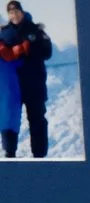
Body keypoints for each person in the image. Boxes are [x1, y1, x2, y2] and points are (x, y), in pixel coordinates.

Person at [0, 1, 48, 160]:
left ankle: (39, 156)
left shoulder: (36, 29)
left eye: (17, 11)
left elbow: (47, 52)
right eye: (11, 12)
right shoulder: (4, 33)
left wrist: (29, 49)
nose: (14, 15)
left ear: (22, 12)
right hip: (12, 87)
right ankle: (9, 153)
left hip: (34, 85)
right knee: (9, 118)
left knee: (37, 119)